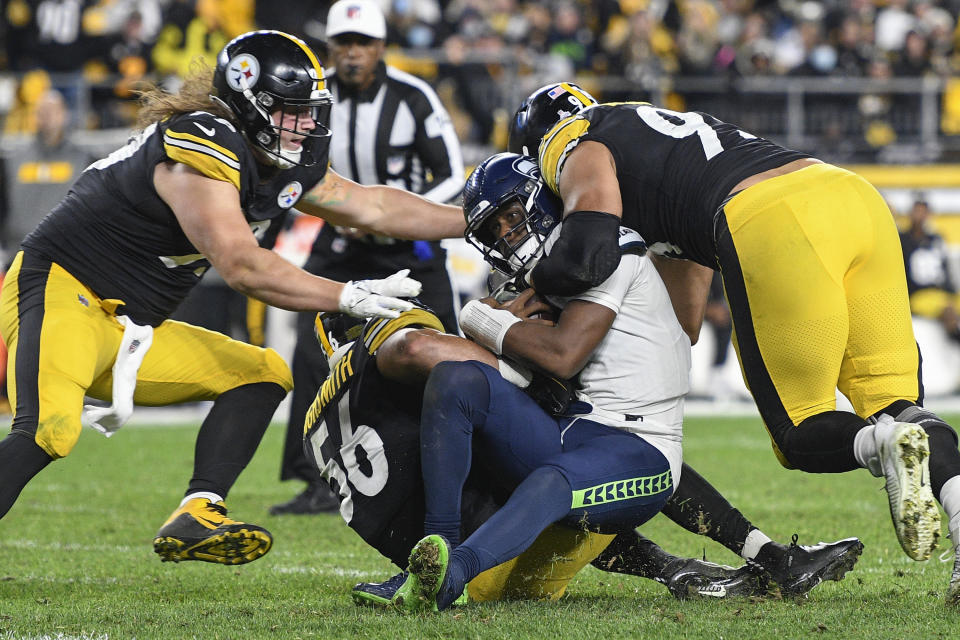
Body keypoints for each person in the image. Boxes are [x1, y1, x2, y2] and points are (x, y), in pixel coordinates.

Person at [0, 29, 466, 567]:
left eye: (309, 111)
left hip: (127, 329)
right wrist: (348, 295)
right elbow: (243, 266)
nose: (306, 125)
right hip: (62, 290)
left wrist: (472, 220)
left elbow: (372, 207)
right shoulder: (202, 142)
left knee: (262, 374)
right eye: (292, 112)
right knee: (49, 430)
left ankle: (199, 512)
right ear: (252, 102)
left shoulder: (274, 155)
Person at [506, 82, 960, 602]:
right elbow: (685, 323)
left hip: (772, 215)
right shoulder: (652, 146)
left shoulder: (576, 142)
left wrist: (532, 294)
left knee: (798, 432)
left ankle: (879, 443)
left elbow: (584, 254)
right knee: (900, 406)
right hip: (851, 196)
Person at [368, 153, 860, 612]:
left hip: (639, 444)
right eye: (492, 229)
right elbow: (518, 363)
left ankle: (454, 575)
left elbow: (560, 356)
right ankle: (430, 559)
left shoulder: (603, 249)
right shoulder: (533, 279)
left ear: (540, 200)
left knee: (552, 481)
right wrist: (501, 326)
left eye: (511, 216)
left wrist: (487, 321)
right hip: (574, 430)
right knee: (456, 382)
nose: (506, 235)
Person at [270, 0, 465, 516]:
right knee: (312, 353)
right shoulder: (314, 98)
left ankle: (461, 464)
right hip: (341, 242)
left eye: (362, 44)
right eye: (344, 43)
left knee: (446, 348)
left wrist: (400, 217)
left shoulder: (413, 96)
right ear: (330, 47)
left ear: (380, 48)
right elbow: (285, 160)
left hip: (410, 246)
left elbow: (451, 173)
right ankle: (315, 479)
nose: (353, 53)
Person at [0, 89, 95, 257]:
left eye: (53, 110)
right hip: (19, 252)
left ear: (64, 114)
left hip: (66, 253)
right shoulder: (14, 159)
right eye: (42, 111)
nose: (47, 116)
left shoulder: (84, 158)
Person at [898, 193, 960, 342]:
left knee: (949, 305)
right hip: (919, 295)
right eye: (917, 210)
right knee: (948, 310)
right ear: (910, 213)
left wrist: (950, 291)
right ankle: (955, 338)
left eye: (923, 211)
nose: (920, 215)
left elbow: (945, 270)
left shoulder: (936, 239)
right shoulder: (903, 240)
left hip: (942, 293)